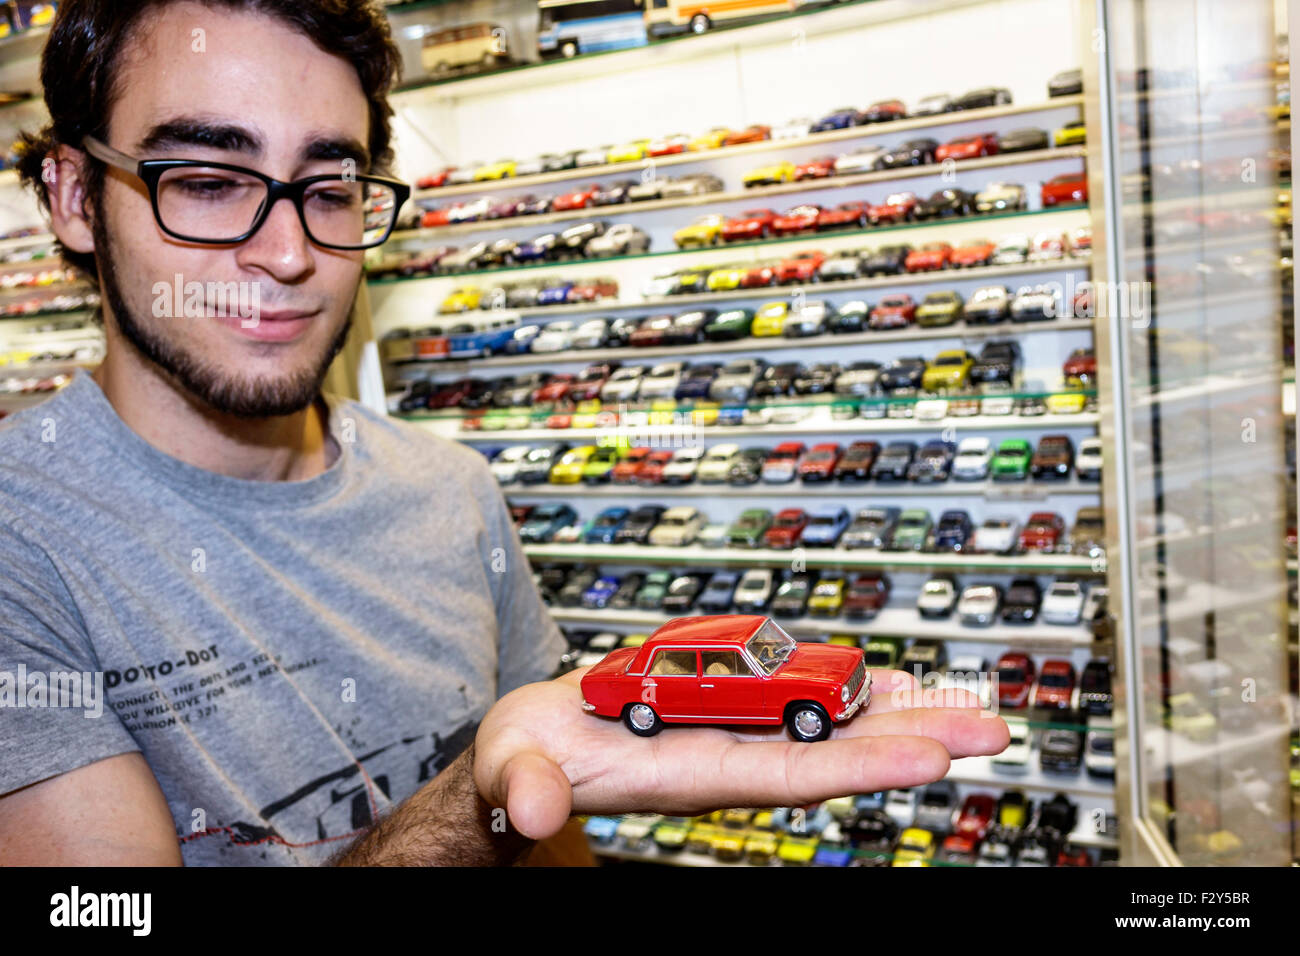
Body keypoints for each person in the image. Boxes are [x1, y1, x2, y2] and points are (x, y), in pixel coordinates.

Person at [0, 0, 1008, 866]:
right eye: (208, 182)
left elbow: (551, 808)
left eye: (329, 184)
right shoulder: (22, 533)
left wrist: (536, 785)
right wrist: (474, 803)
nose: (289, 251)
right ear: (75, 196)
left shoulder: (451, 489)